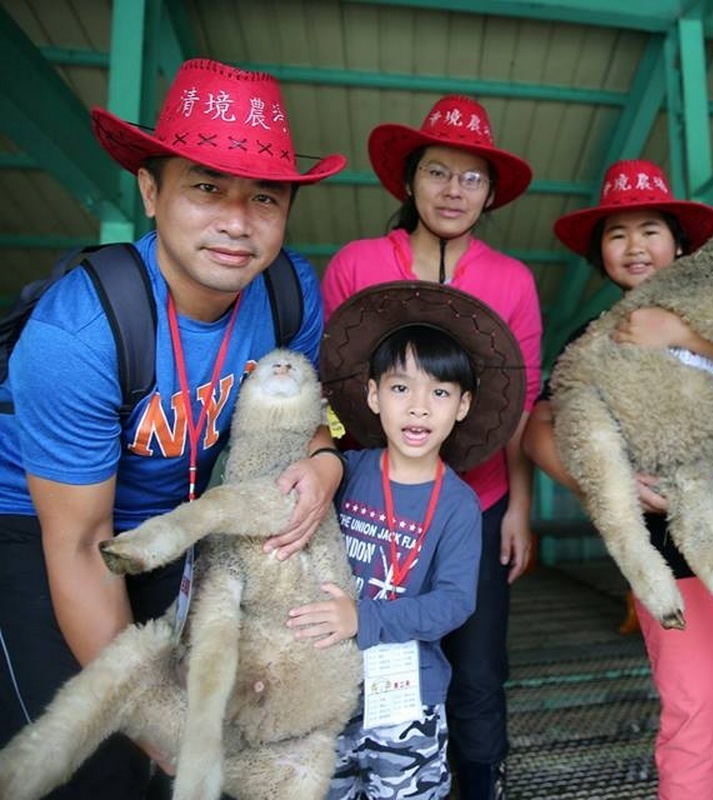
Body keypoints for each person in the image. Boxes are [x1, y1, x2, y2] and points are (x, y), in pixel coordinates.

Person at [0, 59, 346, 799]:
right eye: (205, 187)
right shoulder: (80, 334)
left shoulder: (289, 292)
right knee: (101, 763)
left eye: (265, 196)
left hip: (176, 523)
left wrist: (326, 464)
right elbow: (81, 546)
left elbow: (300, 422)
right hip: (44, 528)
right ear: (151, 191)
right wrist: (160, 724)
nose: (237, 220)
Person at [523, 160, 713, 799]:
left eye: (650, 230)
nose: (635, 246)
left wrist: (679, 328)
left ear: (680, 245)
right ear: (600, 254)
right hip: (674, 554)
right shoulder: (595, 338)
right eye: (617, 234)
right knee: (693, 716)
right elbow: (538, 428)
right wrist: (604, 484)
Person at [320, 95, 542, 798]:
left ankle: (477, 784)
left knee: (476, 665)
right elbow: (329, 386)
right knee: (345, 648)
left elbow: (517, 404)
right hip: (366, 505)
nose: (453, 189)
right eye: (438, 171)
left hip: (472, 502)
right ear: (408, 181)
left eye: (471, 177)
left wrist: (518, 507)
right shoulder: (357, 262)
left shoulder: (512, 280)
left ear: (490, 193)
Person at [290, 282, 525, 800]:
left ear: (463, 406)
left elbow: (455, 603)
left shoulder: (460, 504)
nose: (419, 408)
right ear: (373, 395)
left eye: (439, 393)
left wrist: (363, 619)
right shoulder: (343, 474)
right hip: (322, 689)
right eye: (401, 389)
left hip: (407, 701)